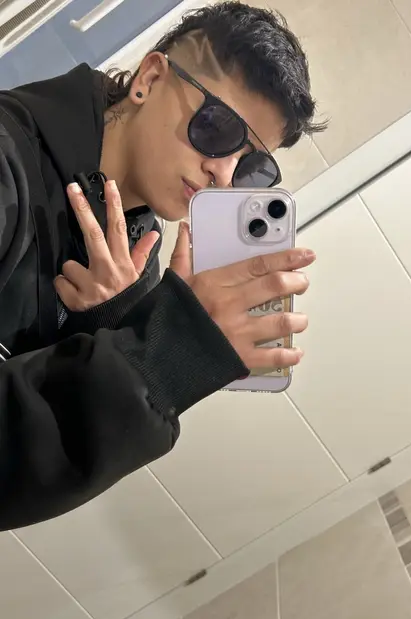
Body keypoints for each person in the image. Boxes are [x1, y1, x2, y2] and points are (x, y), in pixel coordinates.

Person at [0, 1, 323, 531]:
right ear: (149, 79)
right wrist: (162, 360)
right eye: (218, 128)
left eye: (251, 166)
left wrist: (115, 323)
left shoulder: (137, 262)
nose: (223, 175)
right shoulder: (6, 160)